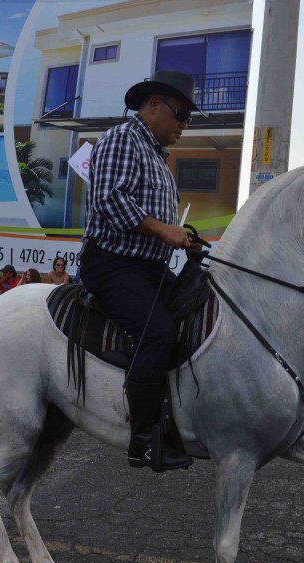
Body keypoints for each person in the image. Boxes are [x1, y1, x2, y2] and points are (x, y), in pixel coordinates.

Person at [78, 69, 202, 472]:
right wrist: (165, 229)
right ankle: (144, 440)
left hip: (147, 269)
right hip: (113, 264)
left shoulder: (158, 158)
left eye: (187, 118)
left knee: (197, 314)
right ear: (153, 105)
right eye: (180, 114)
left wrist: (184, 238)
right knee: (159, 331)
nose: (184, 125)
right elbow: (109, 201)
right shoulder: (121, 139)